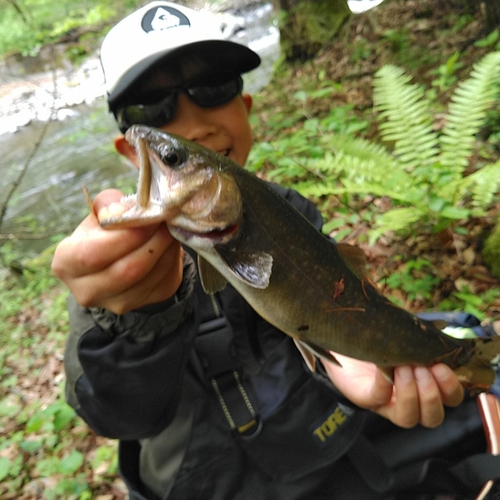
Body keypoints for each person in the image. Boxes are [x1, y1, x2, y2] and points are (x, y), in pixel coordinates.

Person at [51, 2, 465, 499]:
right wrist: (131, 323)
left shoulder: (293, 214)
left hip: (328, 453)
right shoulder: (114, 275)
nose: (194, 124)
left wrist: (358, 369)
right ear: (129, 154)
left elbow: (337, 315)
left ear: (246, 108)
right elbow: (115, 413)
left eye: (213, 87)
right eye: (152, 110)